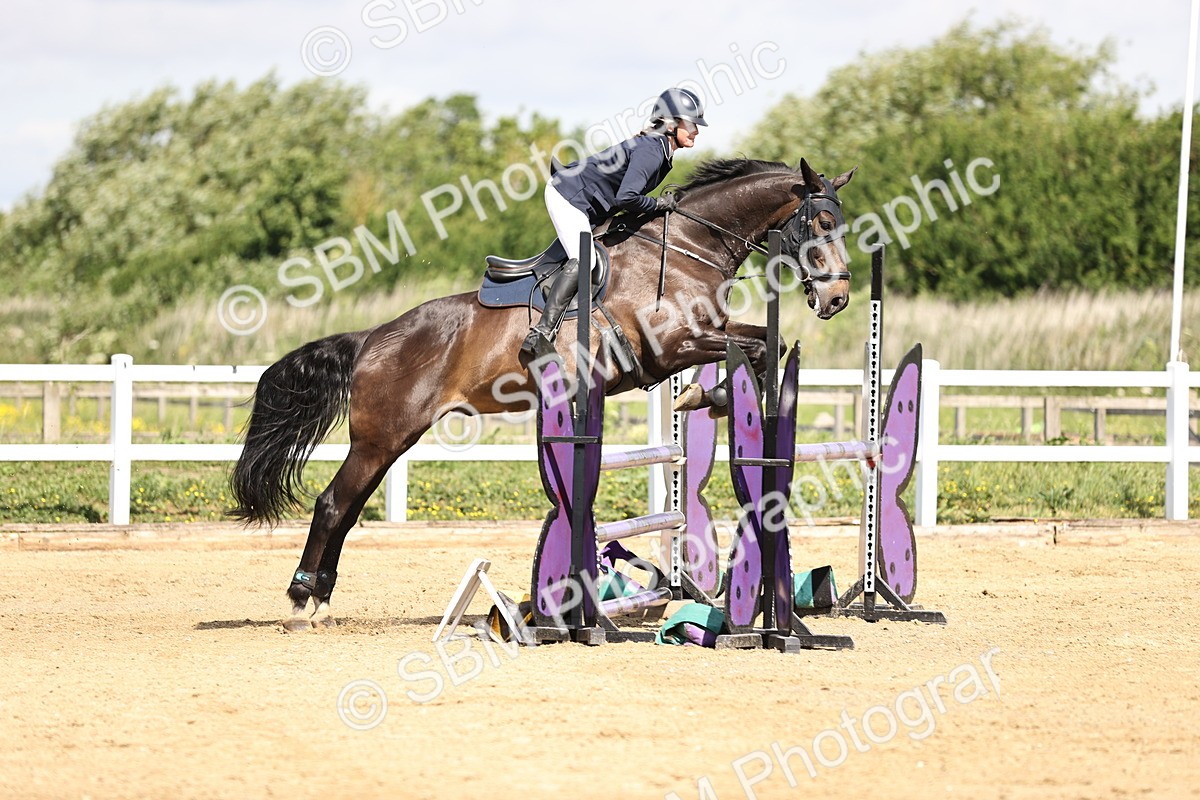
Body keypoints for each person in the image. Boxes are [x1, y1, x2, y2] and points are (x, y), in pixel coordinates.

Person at [519, 87, 707, 364]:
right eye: (691, 124)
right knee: (586, 260)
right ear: (670, 124)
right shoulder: (652, 150)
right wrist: (658, 204)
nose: (696, 131)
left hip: (592, 204)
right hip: (568, 196)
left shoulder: (661, 150)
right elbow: (626, 197)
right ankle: (540, 333)